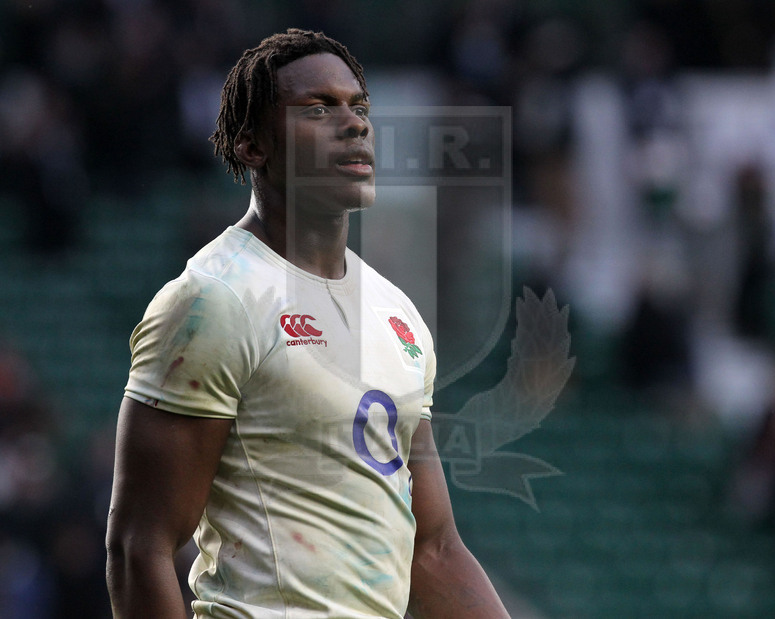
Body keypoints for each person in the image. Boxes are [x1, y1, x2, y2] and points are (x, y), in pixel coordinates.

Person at [105, 28, 511, 619]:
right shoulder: (214, 300)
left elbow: (435, 548)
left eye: (359, 106)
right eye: (317, 109)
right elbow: (139, 546)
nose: (355, 124)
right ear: (252, 147)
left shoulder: (397, 314)